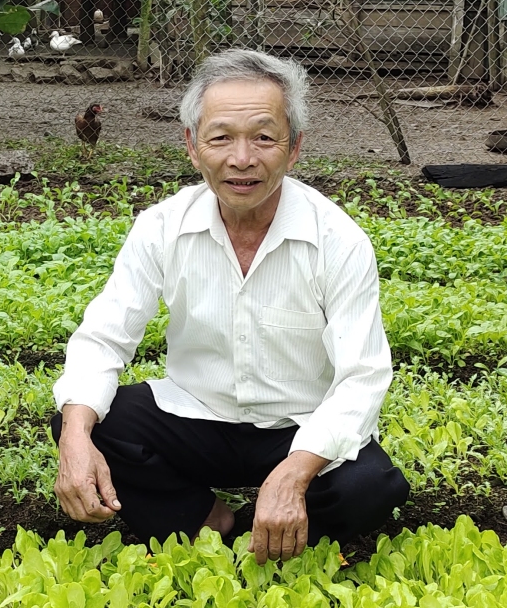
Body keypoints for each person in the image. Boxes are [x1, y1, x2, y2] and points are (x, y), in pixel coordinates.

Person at [52, 48, 410, 560]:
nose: (242, 159)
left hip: (298, 428)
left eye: (264, 137)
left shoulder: (338, 239)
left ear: (294, 148)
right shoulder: (161, 228)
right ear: (193, 147)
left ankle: (278, 519)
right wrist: (75, 438)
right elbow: (103, 339)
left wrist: (293, 472)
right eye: (221, 138)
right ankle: (208, 518)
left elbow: (363, 375)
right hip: (196, 419)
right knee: (86, 423)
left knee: (371, 487)